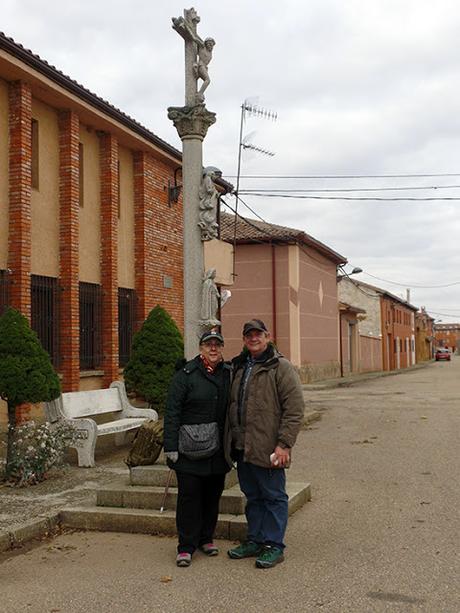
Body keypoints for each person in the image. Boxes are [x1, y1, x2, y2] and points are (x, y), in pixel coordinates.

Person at [226, 319, 304, 569]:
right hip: (243, 446)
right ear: (244, 340)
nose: (253, 338)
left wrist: (284, 444)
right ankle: (256, 539)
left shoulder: (280, 366)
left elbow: (294, 409)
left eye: (258, 334)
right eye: (249, 335)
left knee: (273, 496)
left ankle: (274, 545)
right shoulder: (239, 366)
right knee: (253, 496)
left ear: (267, 337)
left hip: (269, 446)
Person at [164, 330, 231, 567]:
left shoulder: (228, 373)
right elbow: (172, 412)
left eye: (217, 344)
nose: (213, 348)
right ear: (201, 348)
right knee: (189, 497)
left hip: (217, 450)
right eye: (208, 344)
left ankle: (206, 538)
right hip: (189, 450)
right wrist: (170, 446)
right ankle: (186, 546)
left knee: (213, 495)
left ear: (222, 348)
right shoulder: (185, 375)